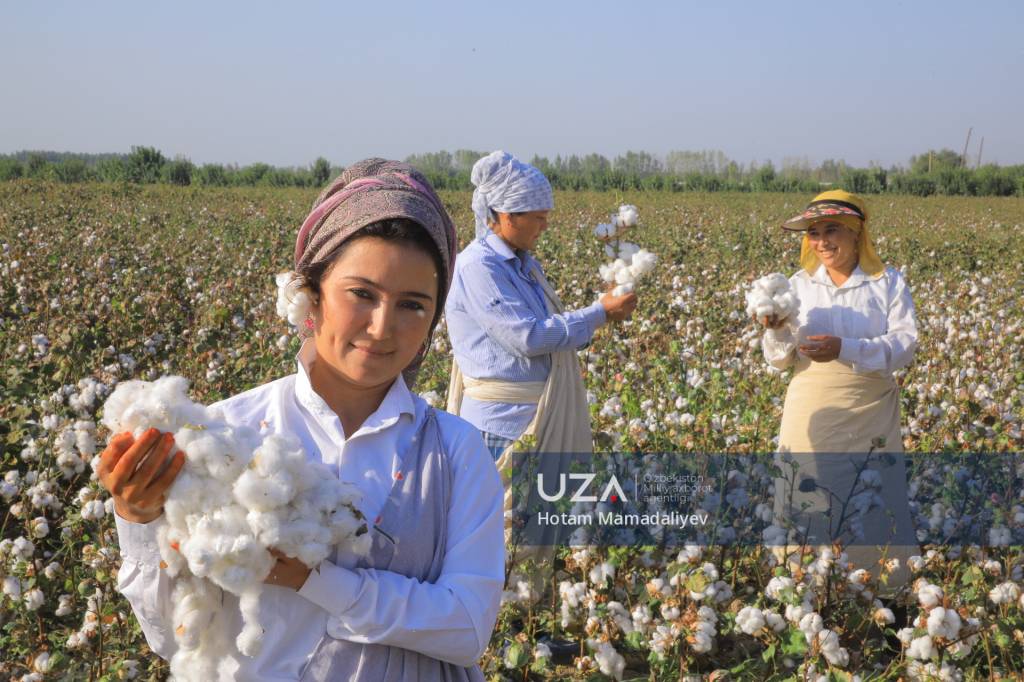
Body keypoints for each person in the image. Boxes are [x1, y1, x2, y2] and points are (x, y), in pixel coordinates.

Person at [97, 159, 505, 681]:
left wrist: (317, 581)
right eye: (362, 294)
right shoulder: (224, 433)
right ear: (311, 294)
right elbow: (173, 638)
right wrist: (137, 519)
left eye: (412, 305)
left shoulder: (456, 451)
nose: (382, 327)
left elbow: (468, 629)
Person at [756, 189, 918, 589]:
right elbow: (779, 359)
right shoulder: (797, 286)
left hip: (870, 408)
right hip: (811, 404)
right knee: (804, 488)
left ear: (856, 232)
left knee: (874, 496)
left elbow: (904, 346)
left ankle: (881, 592)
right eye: (813, 232)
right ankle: (800, 589)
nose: (822, 241)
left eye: (832, 230)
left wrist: (844, 349)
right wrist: (775, 331)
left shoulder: (887, 283)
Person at [445, 150, 637, 462]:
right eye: (539, 217)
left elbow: (550, 328)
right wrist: (600, 313)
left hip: (532, 422)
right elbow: (529, 338)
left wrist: (603, 308)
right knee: (505, 512)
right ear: (508, 216)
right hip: (498, 431)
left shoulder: (523, 265)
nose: (545, 226)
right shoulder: (478, 268)